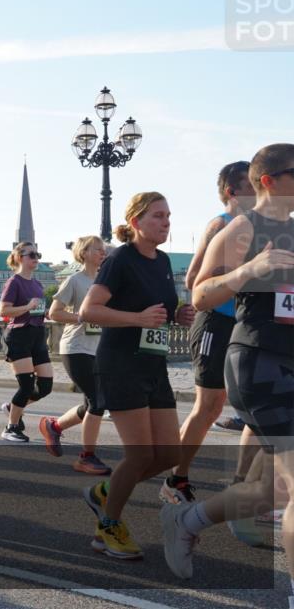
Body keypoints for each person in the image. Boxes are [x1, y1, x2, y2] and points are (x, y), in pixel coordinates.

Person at [159, 144, 294, 589]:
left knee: (272, 489)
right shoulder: (242, 228)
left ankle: (188, 520)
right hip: (259, 362)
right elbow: (200, 294)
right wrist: (246, 271)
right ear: (269, 181)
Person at [79, 192, 197, 560]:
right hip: (120, 364)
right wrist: (137, 319)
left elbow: (157, 309)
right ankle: (108, 526)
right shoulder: (120, 259)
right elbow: (88, 310)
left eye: (168, 216)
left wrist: (178, 316)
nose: (166, 222)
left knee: (169, 453)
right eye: (158, 216)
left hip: (153, 364)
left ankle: (105, 492)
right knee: (140, 454)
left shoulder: (163, 261)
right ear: (136, 222)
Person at [163, 161, 257, 504]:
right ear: (232, 192)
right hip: (216, 322)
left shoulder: (260, 228)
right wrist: (242, 274)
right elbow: (192, 281)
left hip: (248, 325)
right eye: (251, 185)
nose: (259, 190)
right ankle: (177, 478)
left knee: (258, 408)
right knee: (209, 407)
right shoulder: (221, 224)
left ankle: (245, 486)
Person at [41, 235, 110, 474]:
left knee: (92, 402)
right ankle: (86, 457)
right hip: (75, 347)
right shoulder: (75, 280)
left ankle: (54, 427)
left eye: (103, 249)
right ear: (83, 253)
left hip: (98, 349)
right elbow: (54, 313)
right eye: (97, 249)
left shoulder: (104, 283)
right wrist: (81, 317)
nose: (102, 252)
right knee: (98, 401)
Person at [0, 242, 53, 442]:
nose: (36, 258)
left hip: (38, 334)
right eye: (31, 255)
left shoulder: (37, 284)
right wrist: (28, 306)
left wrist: (45, 312)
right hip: (19, 335)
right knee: (27, 386)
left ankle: (13, 407)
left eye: (38, 254)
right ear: (19, 257)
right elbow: (4, 310)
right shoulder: (14, 282)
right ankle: (11, 427)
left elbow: (35, 310)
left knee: (45, 386)